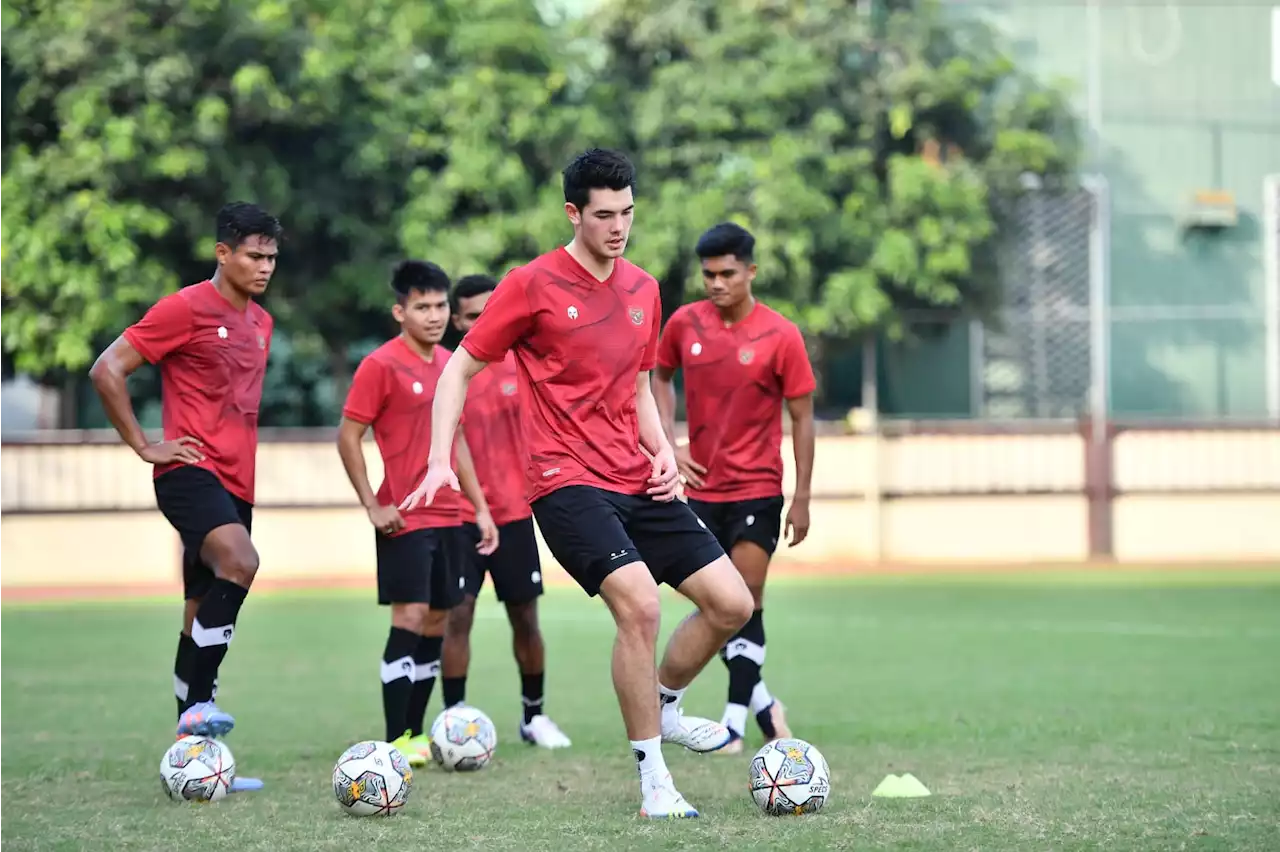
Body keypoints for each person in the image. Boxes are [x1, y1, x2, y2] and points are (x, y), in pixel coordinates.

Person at [399, 148, 755, 819]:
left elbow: (641, 388)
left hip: (635, 475)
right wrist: (440, 458)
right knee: (642, 605)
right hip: (563, 480)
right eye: (603, 214)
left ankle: (667, 703)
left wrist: (664, 454)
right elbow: (458, 371)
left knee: (732, 604)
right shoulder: (532, 285)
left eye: (626, 212)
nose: (618, 226)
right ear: (574, 213)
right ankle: (654, 781)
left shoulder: (644, 289)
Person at [88, 201, 283, 794]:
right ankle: (200, 708)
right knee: (242, 562)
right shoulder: (185, 308)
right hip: (189, 471)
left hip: (237, 482)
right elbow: (106, 369)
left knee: (200, 607)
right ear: (222, 253)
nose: (265, 267)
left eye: (272, 257)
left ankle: (192, 755)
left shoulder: (262, 323)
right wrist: (146, 444)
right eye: (254, 255)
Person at [652, 222, 817, 755]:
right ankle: (765, 703)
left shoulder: (780, 335)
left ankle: (733, 725)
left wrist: (803, 496)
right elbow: (657, 377)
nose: (717, 284)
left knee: (746, 603)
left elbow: (802, 417)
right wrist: (669, 444)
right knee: (717, 607)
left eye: (727, 274)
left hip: (758, 490)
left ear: (751, 272)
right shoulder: (683, 324)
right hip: (699, 494)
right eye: (708, 275)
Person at [336, 260, 499, 767]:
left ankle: (414, 736)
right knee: (407, 619)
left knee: (435, 622)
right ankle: (395, 738)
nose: (433, 316)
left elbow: (460, 444)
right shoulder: (380, 365)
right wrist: (372, 503)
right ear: (399, 311)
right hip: (404, 517)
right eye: (422, 306)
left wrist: (481, 508)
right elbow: (347, 437)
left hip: (451, 516)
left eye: (440, 306)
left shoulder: (453, 364)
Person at [439, 274, 572, 749]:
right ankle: (453, 719)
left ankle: (533, 717)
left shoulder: (526, 365)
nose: (483, 322)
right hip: (461, 516)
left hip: (517, 514)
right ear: (458, 321)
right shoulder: (455, 370)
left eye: (489, 311)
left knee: (525, 618)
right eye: (472, 315)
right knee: (458, 617)